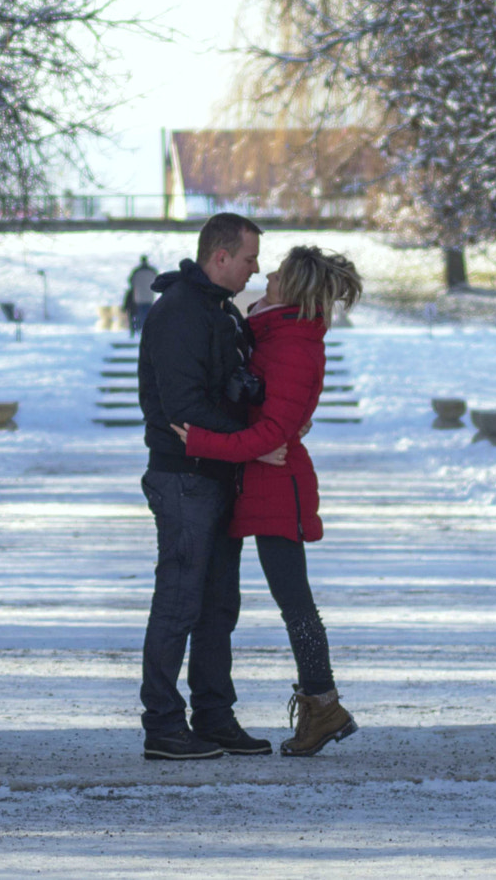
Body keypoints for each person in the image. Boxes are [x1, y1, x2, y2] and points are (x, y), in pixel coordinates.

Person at [175, 244, 363, 756]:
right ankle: (321, 705)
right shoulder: (277, 332)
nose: (266, 274)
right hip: (262, 485)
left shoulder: (293, 344)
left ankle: (322, 705)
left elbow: (272, 433)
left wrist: (200, 440)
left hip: (278, 489)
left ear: (293, 289)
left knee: (295, 604)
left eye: (277, 273)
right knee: (291, 603)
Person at [134, 212, 272, 760]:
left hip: (217, 473)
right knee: (179, 602)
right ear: (220, 257)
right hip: (183, 478)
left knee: (218, 605)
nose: (255, 269)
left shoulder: (217, 311)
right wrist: (255, 436)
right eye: (248, 259)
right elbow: (182, 408)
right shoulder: (180, 314)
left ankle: (213, 716)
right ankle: (163, 725)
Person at [123, 253, 157, 334]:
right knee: (148, 315)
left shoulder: (136, 272)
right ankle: (147, 331)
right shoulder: (152, 271)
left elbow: (131, 282)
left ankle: (141, 331)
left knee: (140, 315)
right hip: (149, 297)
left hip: (139, 297)